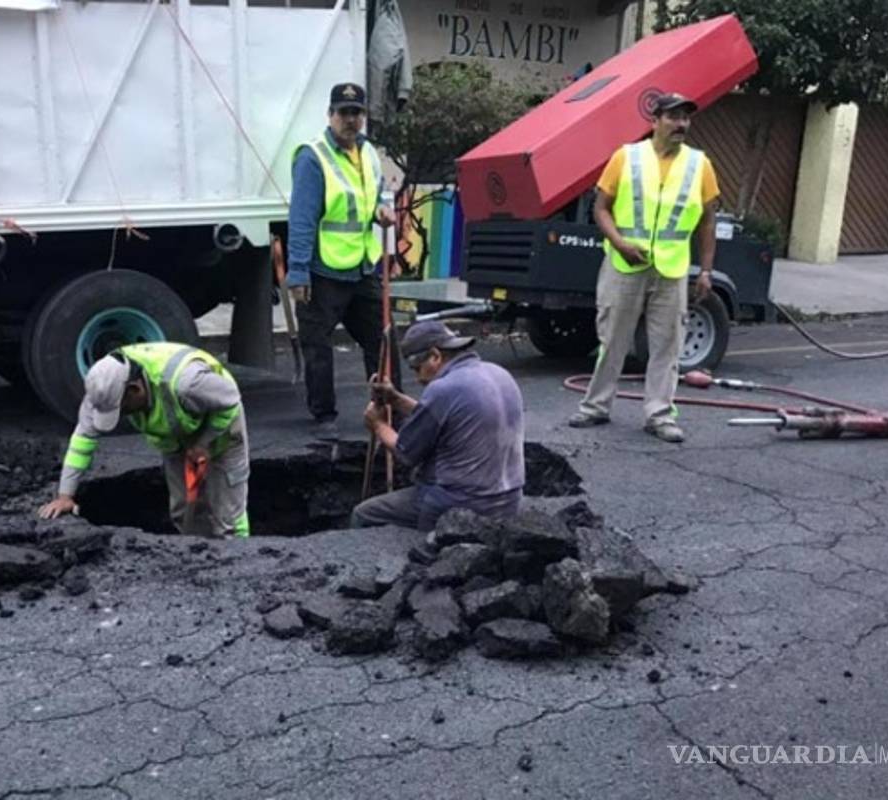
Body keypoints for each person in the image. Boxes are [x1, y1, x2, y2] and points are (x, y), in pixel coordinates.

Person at [567, 92, 720, 443]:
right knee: (612, 341)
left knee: (667, 346)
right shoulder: (627, 157)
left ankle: (660, 415)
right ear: (655, 121)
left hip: (671, 270)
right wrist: (621, 243)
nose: (681, 124)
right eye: (673, 117)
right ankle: (596, 406)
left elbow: (708, 221)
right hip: (624, 264)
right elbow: (600, 208)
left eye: (686, 118)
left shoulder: (700, 165)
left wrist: (707, 270)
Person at [38, 343, 250, 539]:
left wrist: (203, 443)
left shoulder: (187, 383)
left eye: (122, 409)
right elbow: (83, 441)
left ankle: (242, 557)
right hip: (175, 435)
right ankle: (201, 553)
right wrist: (65, 495)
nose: (121, 416)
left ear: (134, 390)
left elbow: (230, 403)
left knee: (228, 514)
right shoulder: (103, 389)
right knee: (183, 509)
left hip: (220, 427)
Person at [287, 81, 401, 441]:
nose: (351, 120)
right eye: (343, 113)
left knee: (382, 340)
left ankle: (389, 406)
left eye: (357, 113)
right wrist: (298, 272)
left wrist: (382, 210)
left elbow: (376, 192)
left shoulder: (368, 152)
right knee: (318, 345)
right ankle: (324, 416)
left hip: (362, 266)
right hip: (324, 271)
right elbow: (302, 219)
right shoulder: (313, 157)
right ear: (330, 115)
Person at [350, 321, 525, 532]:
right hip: (509, 502)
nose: (419, 379)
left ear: (435, 356)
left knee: (363, 514)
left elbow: (406, 452)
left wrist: (378, 425)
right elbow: (445, 417)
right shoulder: (498, 374)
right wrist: (395, 399)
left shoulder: (443, 388)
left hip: (460, 504)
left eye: (417, 369)